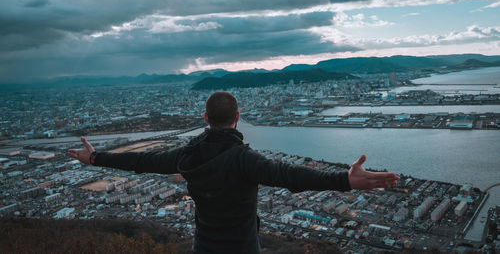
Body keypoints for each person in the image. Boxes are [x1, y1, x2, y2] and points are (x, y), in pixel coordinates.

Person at [68, 91, 399, 254]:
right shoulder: (245, 159)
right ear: (238, 117)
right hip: (243, 246)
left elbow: (144, 161)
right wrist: (343, 179)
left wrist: (96, 158)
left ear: (206, 118)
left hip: (204, 245)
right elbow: (291, 176)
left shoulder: (187, 155)